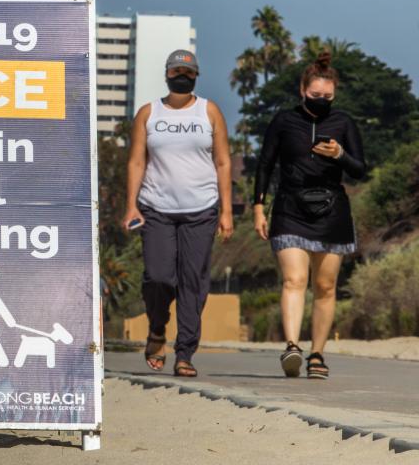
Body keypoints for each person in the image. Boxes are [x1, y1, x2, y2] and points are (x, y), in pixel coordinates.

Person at [253, 51, 365, 379]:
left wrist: (340, 154)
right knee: (294, 279)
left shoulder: (344, 122)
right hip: (290, 207)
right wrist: (258, 207)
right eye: (315, 95)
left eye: (327, 97)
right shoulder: (284, 121)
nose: (321, 101)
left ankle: (317, 354)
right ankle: (292, 346)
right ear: (303, 90)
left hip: (332, 211)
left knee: (326, 285)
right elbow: (265, 164)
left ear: (335, 95)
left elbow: (359, 169)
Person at [123, 50, 234, 377]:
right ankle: (157, 327)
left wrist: (227, 211)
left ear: (196, 76)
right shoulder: (149, 113)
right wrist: (130, 205)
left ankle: (185, 352)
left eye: (188, 71)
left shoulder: (209, 111)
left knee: (193, 283)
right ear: (167, 75)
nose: (181, 75)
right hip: (156, 208)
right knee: (158, 277)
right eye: (176, 70)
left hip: (201, 209)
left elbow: (224, 162)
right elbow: (136, 162)